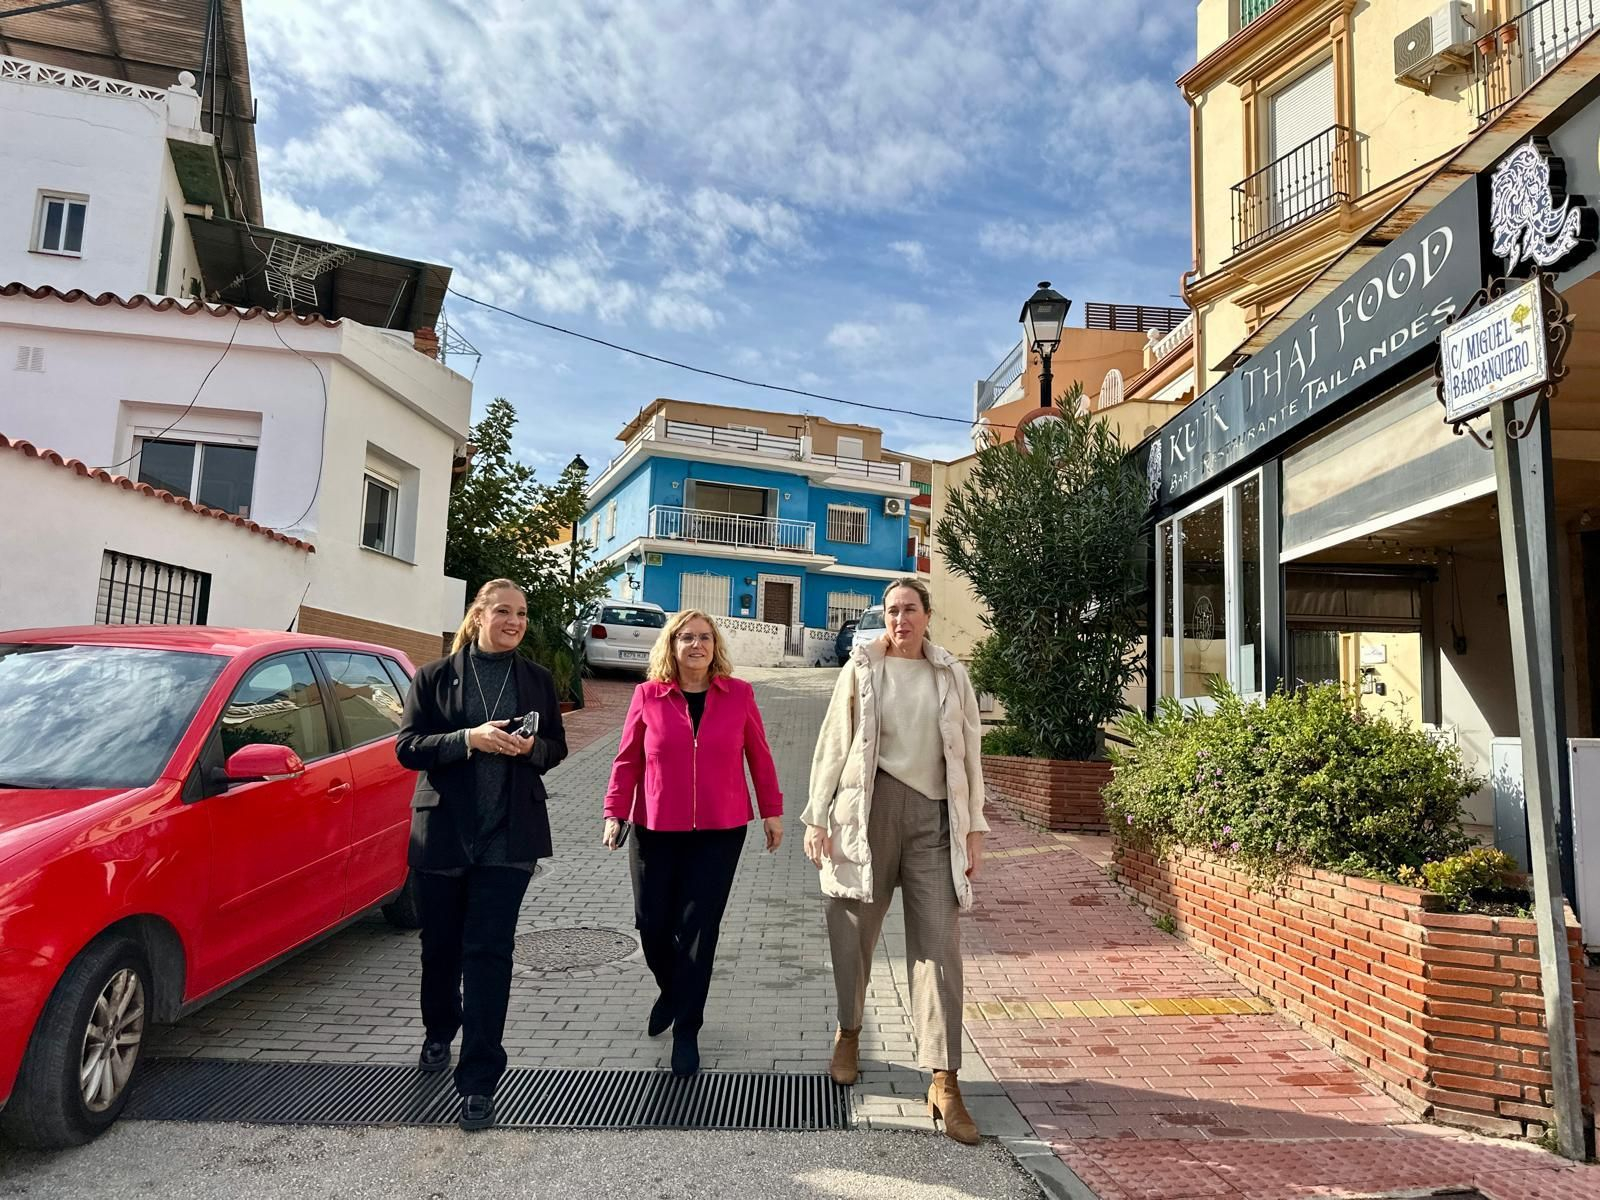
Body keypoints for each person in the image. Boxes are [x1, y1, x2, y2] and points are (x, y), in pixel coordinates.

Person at [802, 577, 988, 1145]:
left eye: (909, 609)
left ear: (928, 616)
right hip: (869, 809)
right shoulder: (862, 666)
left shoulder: (950, 674)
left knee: (938, 946)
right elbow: (835, 741)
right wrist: (816, 815)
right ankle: (849, 1031)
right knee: (852, 928)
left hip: (933, 819)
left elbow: (971, 750)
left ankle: (944, 1079)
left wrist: (975, 825)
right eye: (891, 611)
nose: (899, 619)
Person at [395, 578, 567, 1132]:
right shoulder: (433, 678)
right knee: (440, 951)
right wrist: (468, 739)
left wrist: (528, 749)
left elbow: (555, 748)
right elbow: (407, 748)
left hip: (508, 840)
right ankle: (439, 1029)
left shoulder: (537, 681)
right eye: (503, 612)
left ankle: (480, 1081)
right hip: (443, 836)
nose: (514, 622)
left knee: (490, 954)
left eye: (521, 613)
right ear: (478, 617)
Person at [602, 609, 784, 1077]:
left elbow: (759, 756)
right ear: (673, 645)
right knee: (651, 924)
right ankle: (672, 989)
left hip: (721, 831)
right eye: (687, 638)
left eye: (705, 638)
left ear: (714, 646)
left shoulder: (739, 694)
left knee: (700, 930)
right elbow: (627, 761)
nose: (696, 646)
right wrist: (614, 812)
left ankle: (687, 1028)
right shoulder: (648, 695)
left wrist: (772, 811)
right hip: (655, 826)